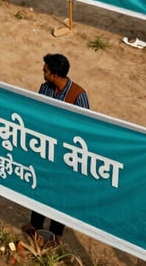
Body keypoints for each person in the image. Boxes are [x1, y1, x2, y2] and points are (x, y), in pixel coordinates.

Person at [24, 54, 89, 242]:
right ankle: (35, 225)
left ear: (54, 74)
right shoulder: (44, 89)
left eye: (45, 70)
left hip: (65, 155)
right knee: (40, 187)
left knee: (60, 195)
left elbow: (84, 128)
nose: (42, 72)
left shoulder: (78, 96)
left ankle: (56, 234)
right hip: (44, 150)